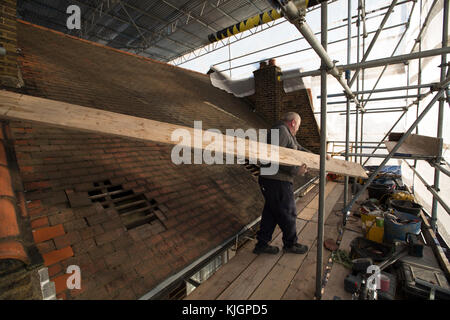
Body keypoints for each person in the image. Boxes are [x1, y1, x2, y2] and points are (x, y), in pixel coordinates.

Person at [254, 112, 315, 255]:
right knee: (288, 212)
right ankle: (290, 244)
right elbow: (276, 156)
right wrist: (296, 170)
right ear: (293, 122)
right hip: (276, 181)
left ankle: (261, 244)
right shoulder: (281, 131)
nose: (298, 129)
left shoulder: (288, 134)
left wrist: (315, 156)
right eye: (298, 126)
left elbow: (299, 148)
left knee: (271, 213)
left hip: (274, 180)